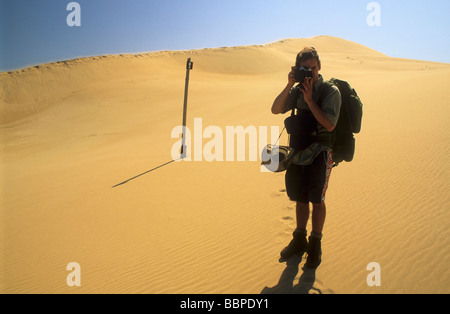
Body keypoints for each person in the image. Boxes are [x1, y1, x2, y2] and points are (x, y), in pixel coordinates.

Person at [271, 47, 341, 268]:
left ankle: (315, 245)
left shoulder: (330, 92)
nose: (309, 72)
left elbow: (330, 125)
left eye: (312, 68)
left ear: (319, 66)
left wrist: (310, 101)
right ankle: (299, 240)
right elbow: (276, 109)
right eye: (304, 69)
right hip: (298, 152)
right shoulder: (297, 89)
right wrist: (290, 84)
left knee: (317, 201)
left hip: (320, 153)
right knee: (300, 199)